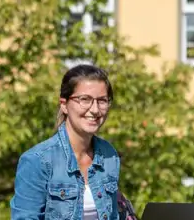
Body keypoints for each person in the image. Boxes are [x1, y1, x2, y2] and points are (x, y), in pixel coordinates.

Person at [11, 64, 128, 220]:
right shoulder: (37, 160)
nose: (95, 109)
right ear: (64, 105)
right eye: (84, 99)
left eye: (102, 100)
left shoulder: (109, 155)